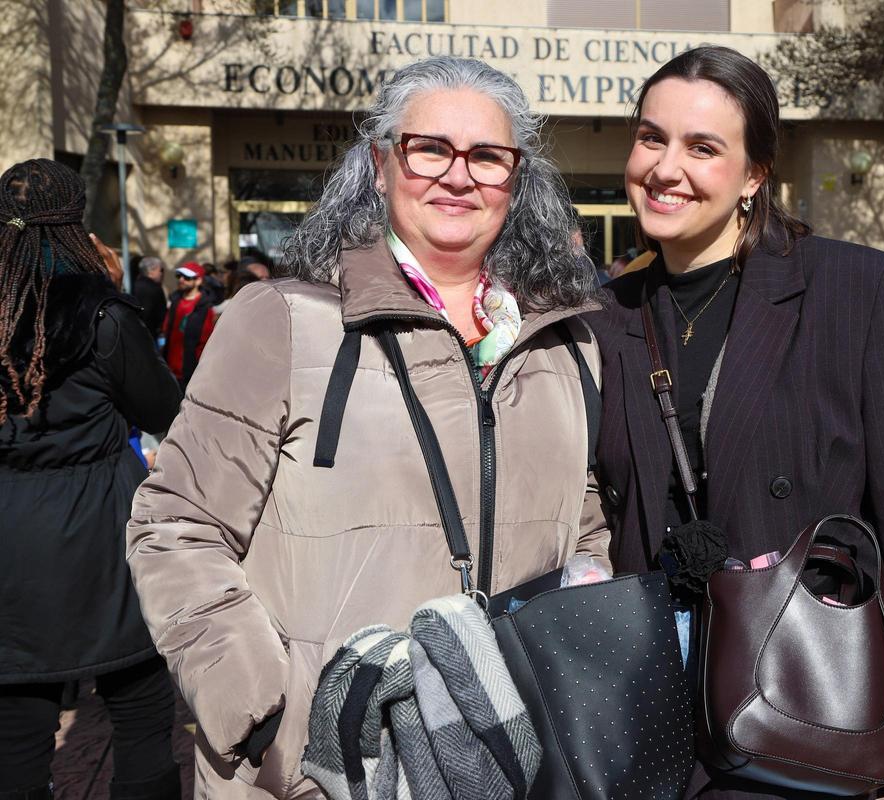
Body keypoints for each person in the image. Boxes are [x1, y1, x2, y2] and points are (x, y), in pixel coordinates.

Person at [126, 56, 608, 798]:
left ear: (516, 181)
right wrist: (263, 715)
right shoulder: (284, 322)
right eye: (429, 148)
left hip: (508, 756)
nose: (459, 175)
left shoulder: (564, 344)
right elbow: (175, 524)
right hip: (320, 771)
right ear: (381, 164)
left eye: (487, 155)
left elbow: (583, 524)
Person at [588, 46, 884, 799]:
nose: (664, 167)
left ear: (753, 176)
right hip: (643, 723)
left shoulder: (855, 291)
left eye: (702, 147)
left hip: (801, 710)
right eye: (652, 137)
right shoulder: (605, 314)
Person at [0, 159, 182, 800]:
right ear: (77, 221)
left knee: (16, 731)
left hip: (10, 539)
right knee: (139, 711)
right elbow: (164, 411)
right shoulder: (101, 313)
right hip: (103, 531)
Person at [161, 261, 215, 389]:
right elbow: (166, 330)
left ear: (198, 281)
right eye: (179, 276)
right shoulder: (175, 302)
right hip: (170, 370)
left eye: (187, 277)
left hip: (191, 373)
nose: (181, 280)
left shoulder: (205, 308)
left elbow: (206, 342)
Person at [132, 255, 168, 334]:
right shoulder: (155, 288)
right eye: (160, 270)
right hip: (151, 332)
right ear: (151, 271)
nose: (161, 273)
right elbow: (160, 314)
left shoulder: (135, 285)